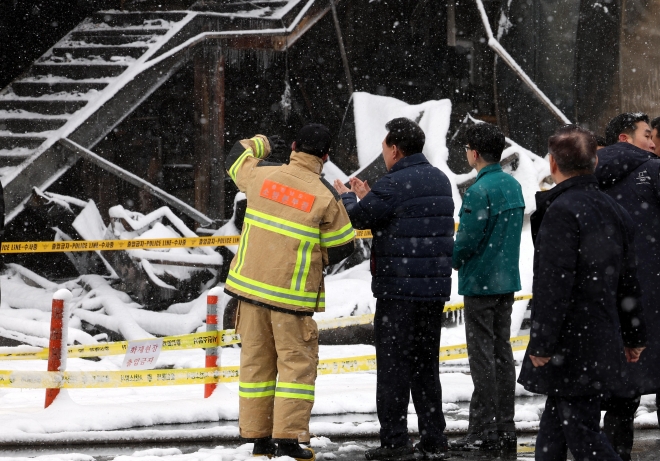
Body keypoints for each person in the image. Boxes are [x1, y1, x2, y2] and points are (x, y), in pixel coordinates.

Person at [224, 124, 356, 461]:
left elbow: (235, 157)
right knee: (295, 370)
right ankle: (288, 439)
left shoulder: (262, 175)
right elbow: (343, 246)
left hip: (250, 293)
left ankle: (258, 439)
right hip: (292, 301)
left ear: (294, 146)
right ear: (325, 156)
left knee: (256, 366)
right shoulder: (326, 195)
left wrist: (263, 143)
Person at [518, 124, 647, 461]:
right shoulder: (613, 209)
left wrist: (543, 342)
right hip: (598, 334)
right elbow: (628, 280)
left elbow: (553, 283)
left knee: (581, 431)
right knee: (555, 427)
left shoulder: (562, 211)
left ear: (553, 164)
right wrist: (634, 334)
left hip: (571, 341)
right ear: (594, 163)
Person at [333, 118, 454, 461]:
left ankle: (395, 441)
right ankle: (434, 437)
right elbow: (404, 214)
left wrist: (347, 196)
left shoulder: (393, 183)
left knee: (393, 369)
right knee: (426, 366)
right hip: (432, 291)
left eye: (385, 148)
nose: (383, 154)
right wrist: (369, 195)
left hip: (398, 293)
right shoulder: (440, 180)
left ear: (396, 150)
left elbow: (360, 219)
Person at [450, 123, 524, 454]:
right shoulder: (513, 186)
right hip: (506, 280)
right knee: (502, 352)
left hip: (480, 282)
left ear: (475, 153)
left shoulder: (479, 191)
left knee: (482, 357)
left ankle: (482, 429)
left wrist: (451, 259)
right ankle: (505, 424)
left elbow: (466, 240)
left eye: (467, 148)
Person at [594, 112, 660, 460]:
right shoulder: (652, 171)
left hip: (609, 299)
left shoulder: (588, 175)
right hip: (653, 297)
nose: (652, 143)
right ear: (625, 138)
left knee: (621, 396)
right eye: (647, 135)